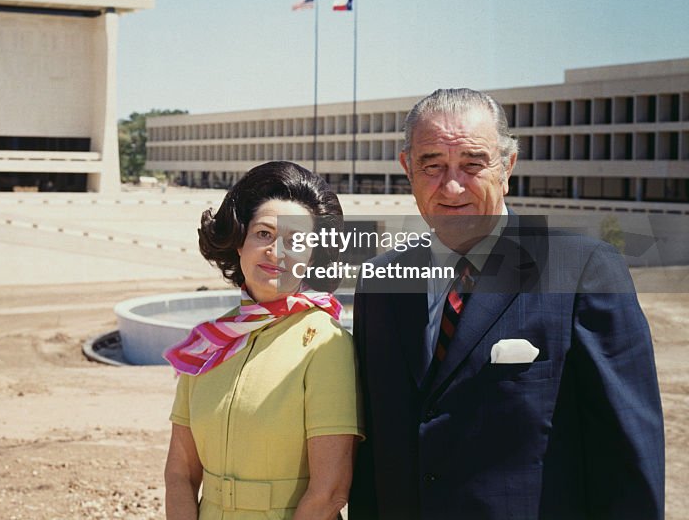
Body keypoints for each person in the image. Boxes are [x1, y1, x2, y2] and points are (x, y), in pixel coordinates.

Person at [349, 88, 665, 519]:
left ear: (508, 165)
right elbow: (373, 454)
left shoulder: (582, 270)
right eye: (432, 165)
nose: (452, 186)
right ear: (407, 167)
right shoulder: (380, 282)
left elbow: (627, 456)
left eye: (473, 164)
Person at [164, 161, 364, 520]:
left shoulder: (326, 345)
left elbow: (329, 491)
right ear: (239, 241)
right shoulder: (209, 341)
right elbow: (180, 474)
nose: (276, 251)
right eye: (263, 233)